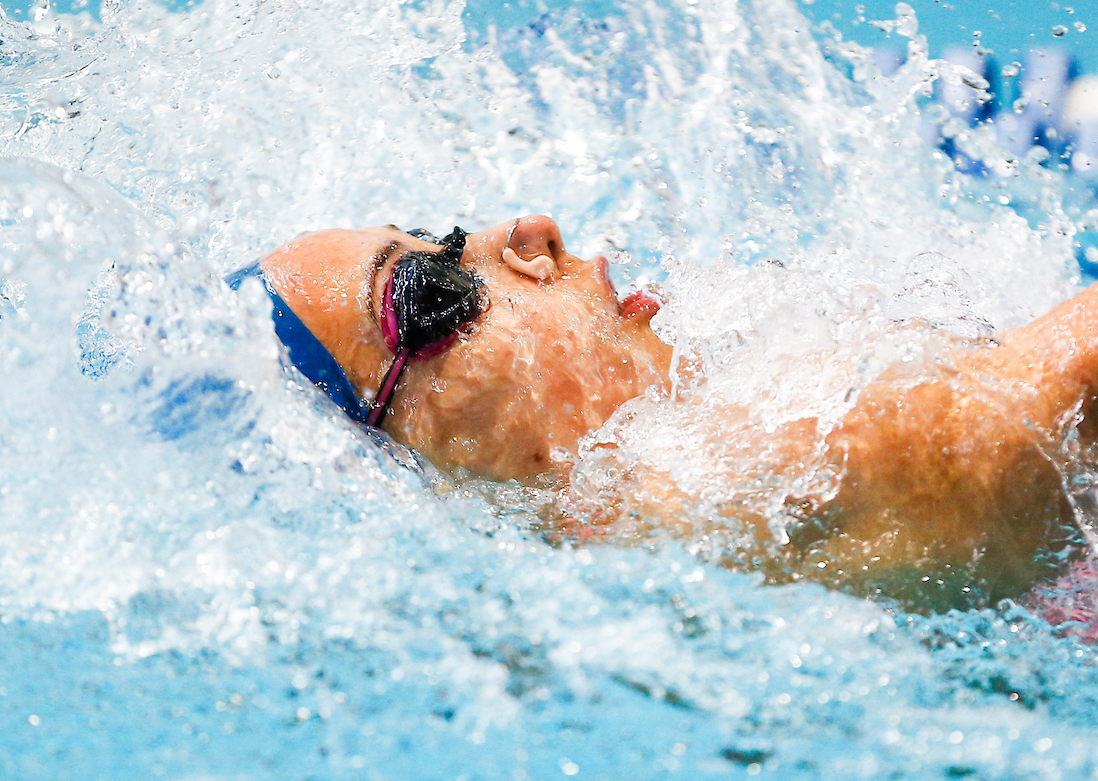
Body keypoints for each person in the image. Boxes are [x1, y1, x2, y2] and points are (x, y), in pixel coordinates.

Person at [239, 215, 1098, 611]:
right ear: (412, 459)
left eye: (445, 233)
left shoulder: (609, 575)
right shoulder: (770, 477)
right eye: (430, 290)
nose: (528, 233)